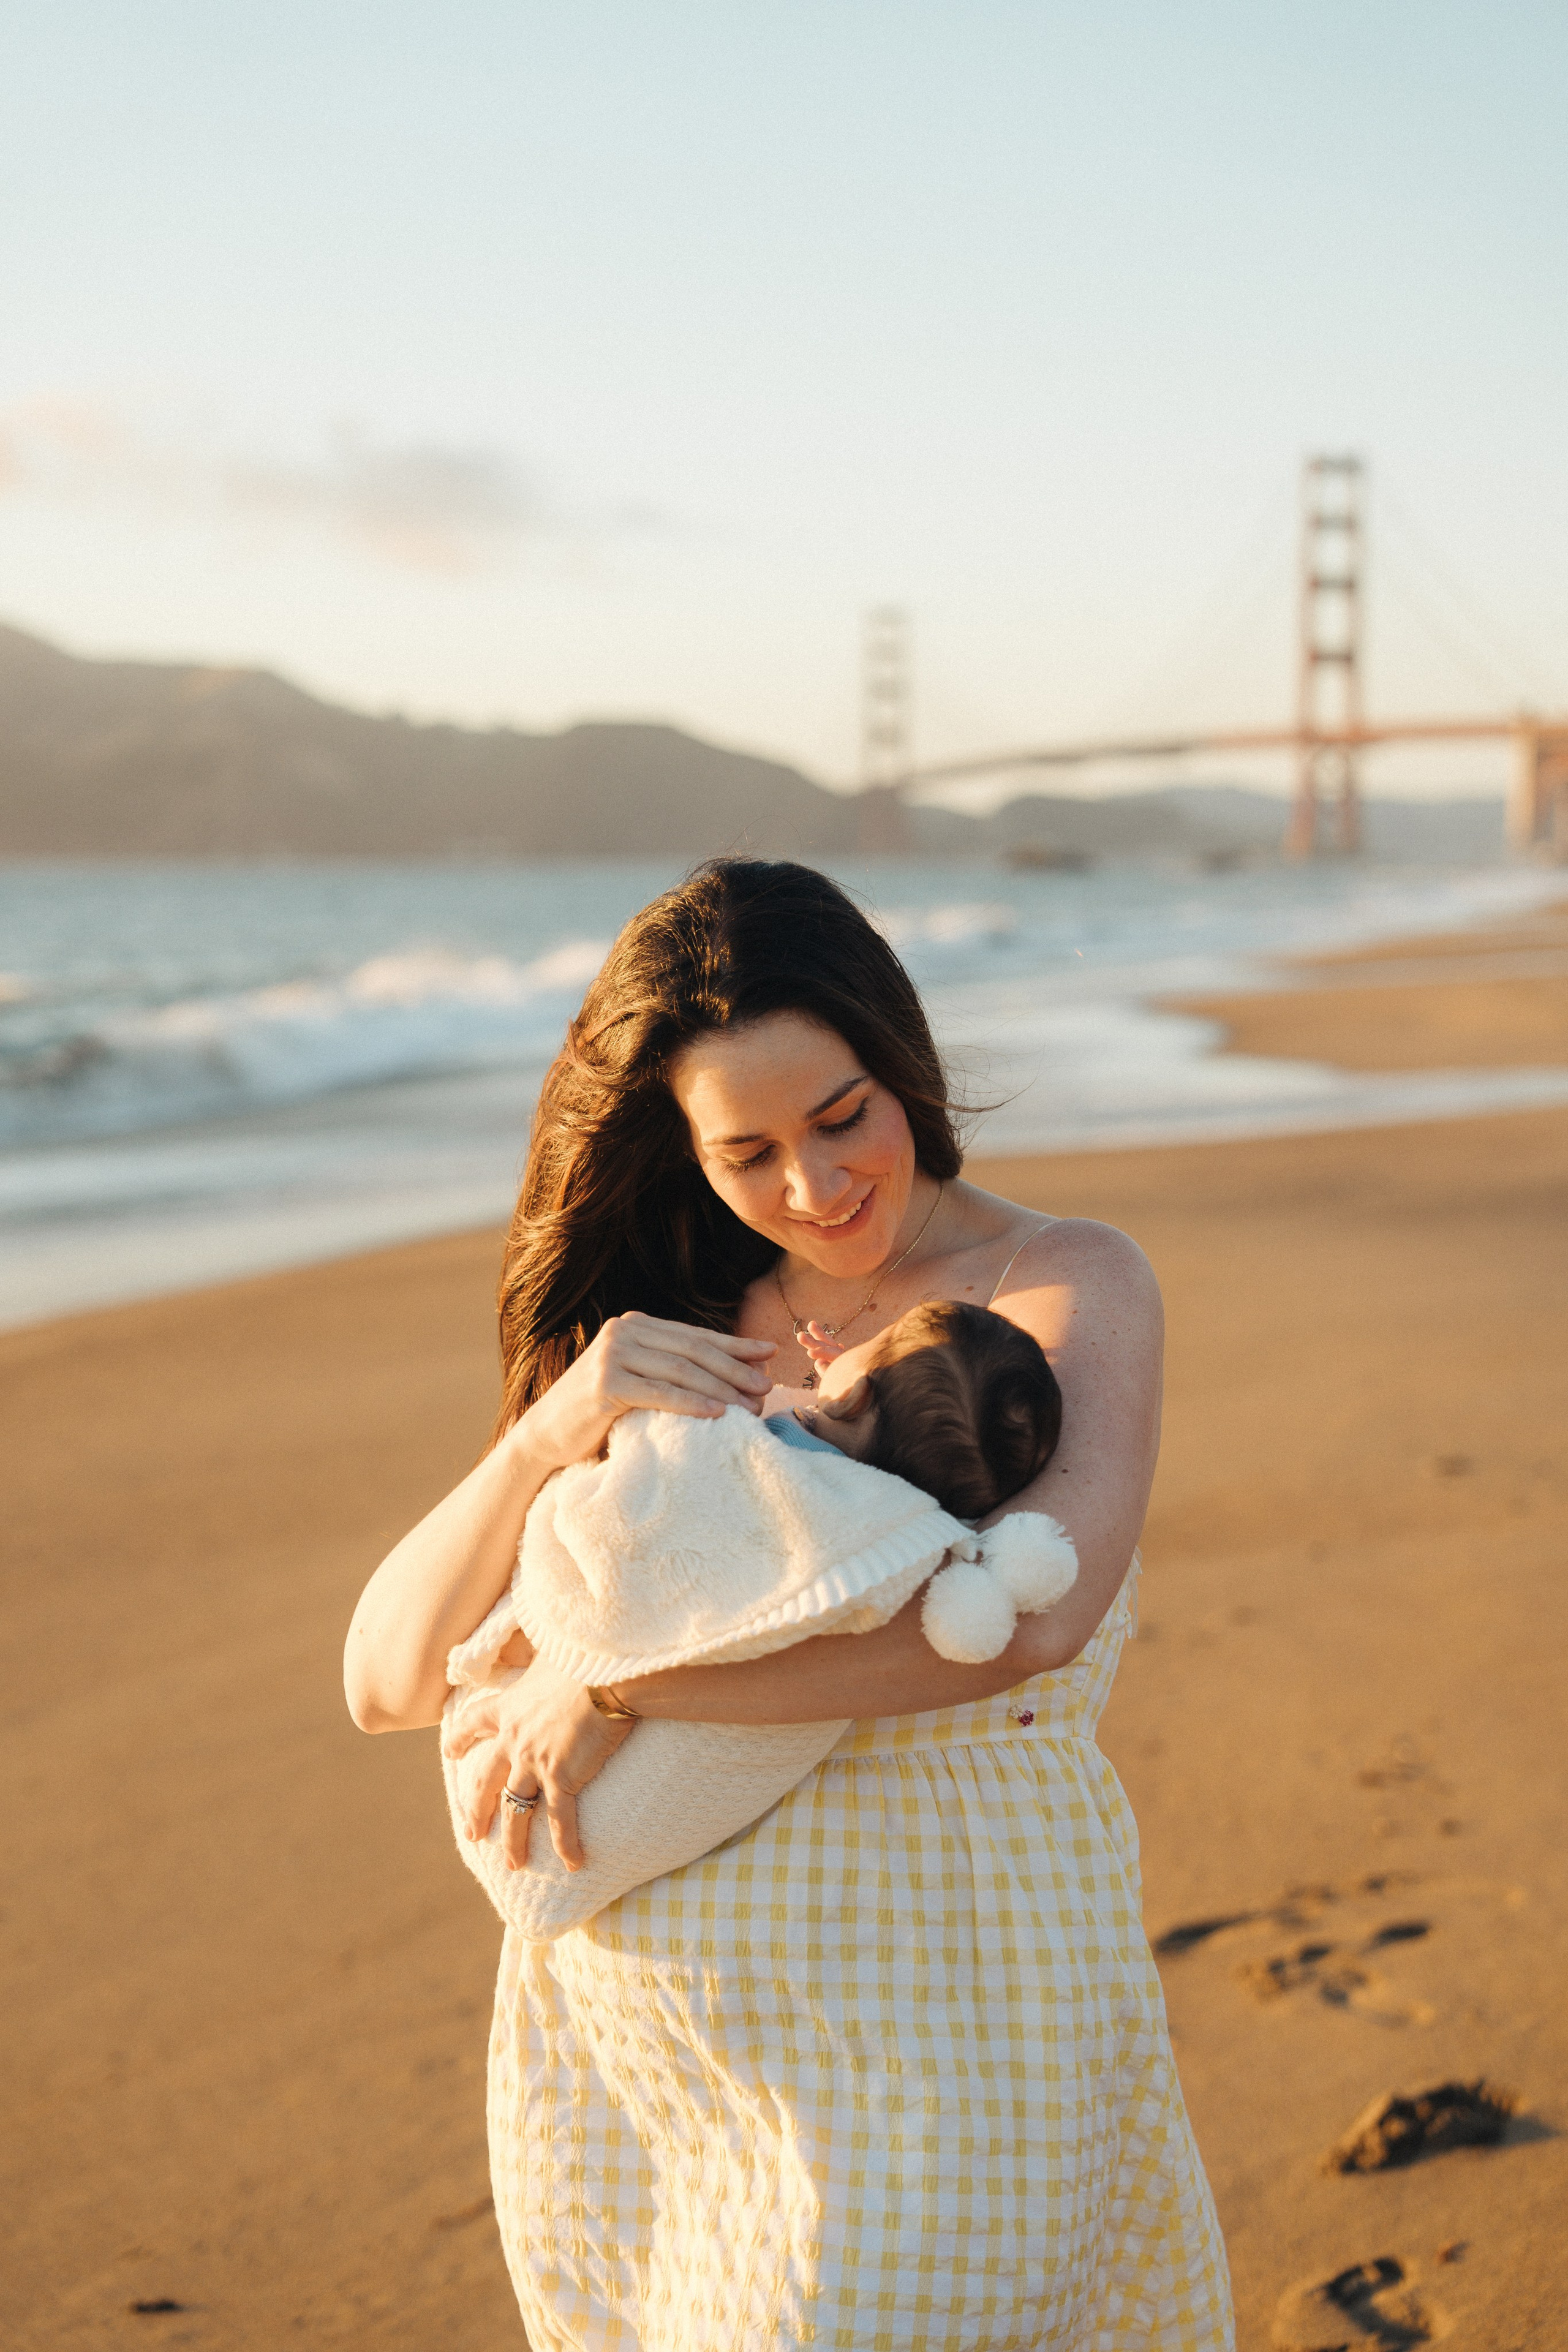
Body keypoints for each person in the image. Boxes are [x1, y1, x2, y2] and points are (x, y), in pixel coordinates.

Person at [345, 857, 1233, 2350]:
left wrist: (620, 1686)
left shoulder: (1059, 1285)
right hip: (662, 2042)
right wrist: (546, 1433)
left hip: (952, 1996)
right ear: (685, 1155)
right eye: (747, 1153)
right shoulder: (669, 1327)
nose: (815, 1190)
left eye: (841, 1120)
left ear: (903, 1066)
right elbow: (384, 1678)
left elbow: (1023, 1626)